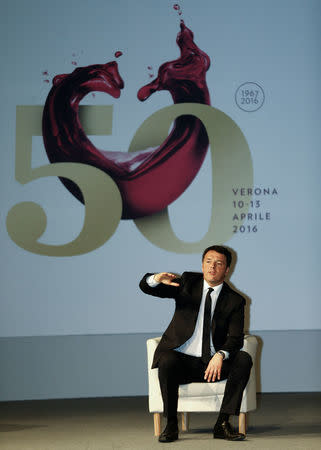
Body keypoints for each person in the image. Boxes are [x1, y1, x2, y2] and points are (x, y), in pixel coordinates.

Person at [139, 245, 253, 442]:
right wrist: (156, 279)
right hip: (182, 362)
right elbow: (147, 288)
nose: (212, 267)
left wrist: (221, 355)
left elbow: (235, 338)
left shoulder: (235, 301)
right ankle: (171, 424)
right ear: (202, 265)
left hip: (212, 365)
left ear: (227, 270)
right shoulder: (188, 283)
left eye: (219, 263)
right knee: (167, 359)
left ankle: (222, 423)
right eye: (208, 262)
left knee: (243, 359)